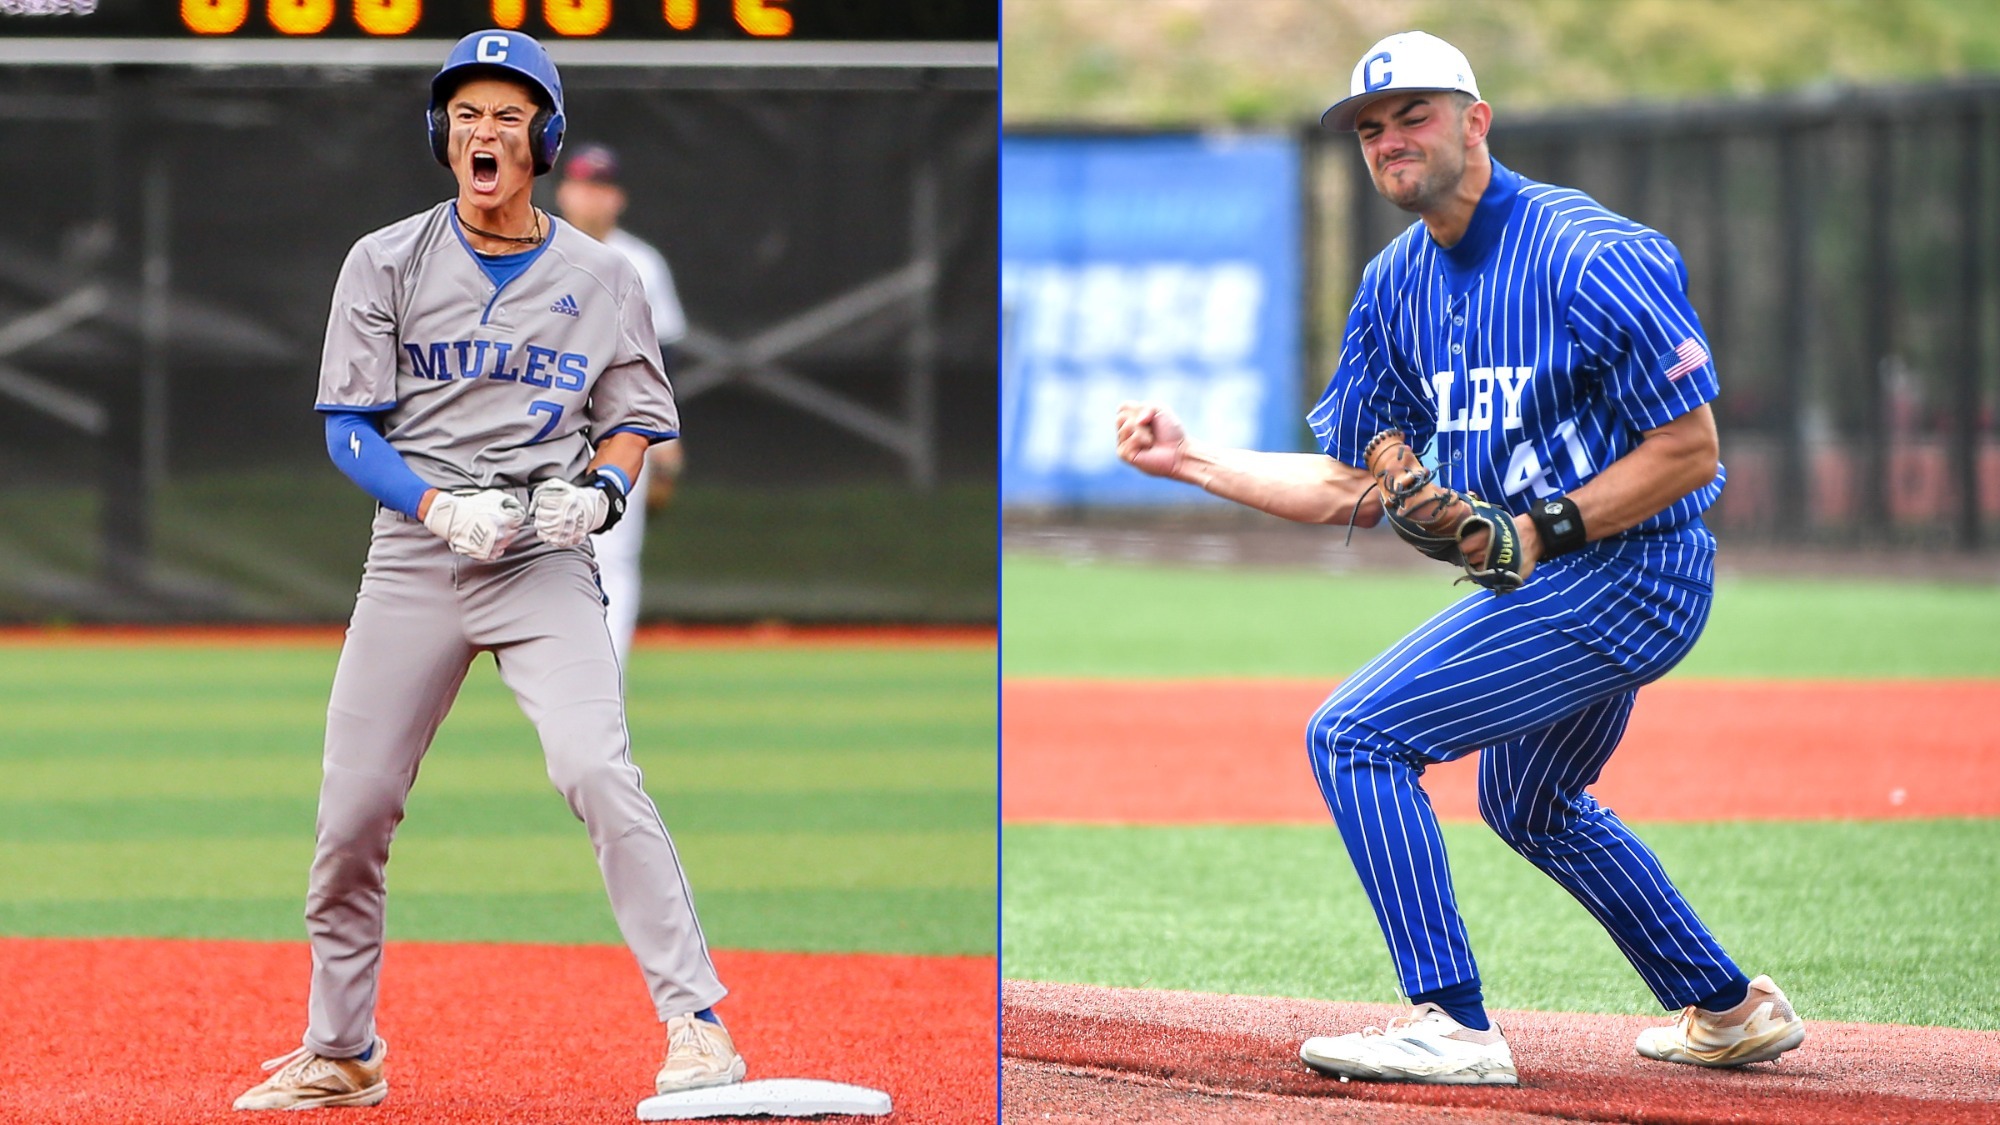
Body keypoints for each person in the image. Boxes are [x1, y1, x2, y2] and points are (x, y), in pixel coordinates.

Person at [1113, 30, 1804, 1087]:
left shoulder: (1587, 254)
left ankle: (1449, 1022)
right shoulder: (1394, 283)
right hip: (1554, 574)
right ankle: (1726, 1007)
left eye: (1414, 114)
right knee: (1528, 804)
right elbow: (1349, 482)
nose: (1389, 138)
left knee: (1353, 734)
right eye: (1369, 126)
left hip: (1631, 569)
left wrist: (1535, 532)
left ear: (1476, 121)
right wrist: (1191, 457)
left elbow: (1689, 449)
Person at [232, 30, 743, 1111]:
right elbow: (348, 432)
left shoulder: (605, 275)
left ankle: (695, 1026)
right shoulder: (384, 260)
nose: (484, 131)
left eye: (508, 114)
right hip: (416, 556)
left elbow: (634, 422)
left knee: (596, 771)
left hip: (543, 559)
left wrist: (599, 493)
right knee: (353, 809)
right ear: (440, 133)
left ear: (543, 138)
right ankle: (342, 1050)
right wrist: (429, 503)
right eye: (466, 113)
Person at [555, 142, 689, 666]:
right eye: (584, 184)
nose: (592, 197)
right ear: (564, 191)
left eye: (603, 187)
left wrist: (671, 439)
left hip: (623, 431)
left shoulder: (642, 264)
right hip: (550, 431)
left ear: (620, 199)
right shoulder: (535, 251)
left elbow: (665, 356)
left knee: (615, 557)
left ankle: (605, 683)